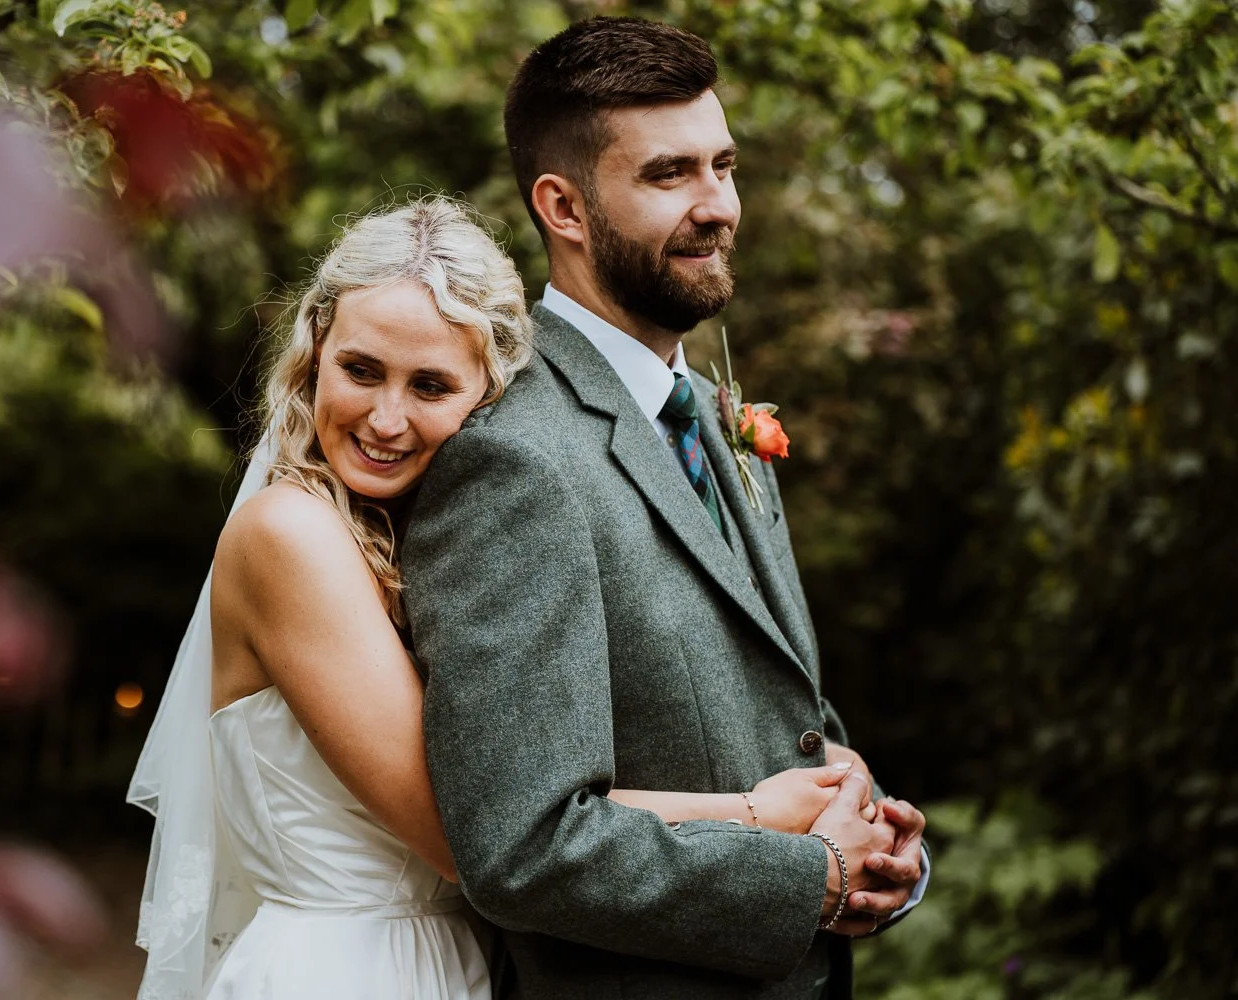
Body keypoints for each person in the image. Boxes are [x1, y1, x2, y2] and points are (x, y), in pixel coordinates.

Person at [129, 196, 883, 1000]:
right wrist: (759, 813)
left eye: (430, 386)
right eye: (360, 370)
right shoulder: (290, 536)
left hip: (461, 965)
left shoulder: (419, 537)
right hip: (347, 969)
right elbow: (471, 828)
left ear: (487, 399)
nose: (386, 418)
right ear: (314, 355)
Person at [400, 18, 929, 1000]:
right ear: (561, 205)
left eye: (723, 166)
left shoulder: (713, 413)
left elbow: (777, 718)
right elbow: (524, 843)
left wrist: (872, 838)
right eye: (669, 175)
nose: (718, 205)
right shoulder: (512, 461)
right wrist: (808, 879)